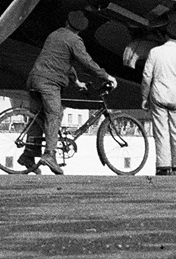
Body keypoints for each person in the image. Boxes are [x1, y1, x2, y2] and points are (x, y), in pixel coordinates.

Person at [23, 10, 116, 175]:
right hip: (49, 83)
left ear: (67, 22)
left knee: (38, 116)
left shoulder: (54, 35)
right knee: (55, 114)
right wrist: (106, 76)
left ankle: (28, 155)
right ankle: (49, 155)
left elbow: (62, 62)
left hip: (34, 78)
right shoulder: (75, 40)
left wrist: (76, 81)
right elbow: (87, 62)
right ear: (80, 30)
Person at [142, 20, 176, 176]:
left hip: (158, 95)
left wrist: (144, 97)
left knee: (161, 131)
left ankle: (163, 166)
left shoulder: (155, 52)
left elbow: (146, 76)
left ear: (165, 35)